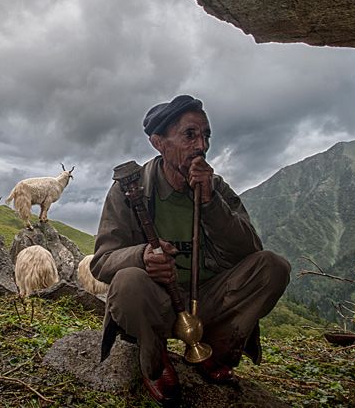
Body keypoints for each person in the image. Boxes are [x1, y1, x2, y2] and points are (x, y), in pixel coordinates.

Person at [90, 94, 290, 405]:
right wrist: (141, 257)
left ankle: (213, 350)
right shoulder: (130, 191)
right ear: (159, 142)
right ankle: (155, 359)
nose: (202, 146)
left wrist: (211, 203)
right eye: (190, 135)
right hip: (156, 302)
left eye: (206, 135)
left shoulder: (216, 188)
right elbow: (101, 262)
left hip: (206, 301)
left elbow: (250, 251)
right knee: (128, 281)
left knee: (273, 267)